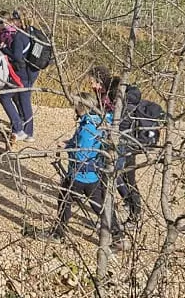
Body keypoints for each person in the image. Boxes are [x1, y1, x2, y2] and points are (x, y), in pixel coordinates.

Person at [52, 103, 110, 240]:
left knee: (64, 200)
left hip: (79, 176)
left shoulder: (86, 129)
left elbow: (80, 155)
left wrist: (68, 149)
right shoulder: (98, 123)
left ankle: (58, 234)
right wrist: (68, 143)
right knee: (99, 206)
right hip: (93, 176)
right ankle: (117, 234)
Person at [115, 84, 166, 223]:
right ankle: (133, 209)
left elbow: (119, 129)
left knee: (120, 178)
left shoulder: (125, 109)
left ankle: (133, 212)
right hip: (131, 147)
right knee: (129, 180)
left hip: (125, 148)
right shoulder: (135, 106)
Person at [0, 11, 40, 146]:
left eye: (14, 19)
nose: (12, 21)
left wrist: (4, 50)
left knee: (6, 97)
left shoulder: (19, 37)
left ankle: (21, 129)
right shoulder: (31, 32)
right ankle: (27, 131)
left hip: (22, 74)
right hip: (31, 72)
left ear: (20, 21)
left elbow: (16, 57)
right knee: (23, 99)